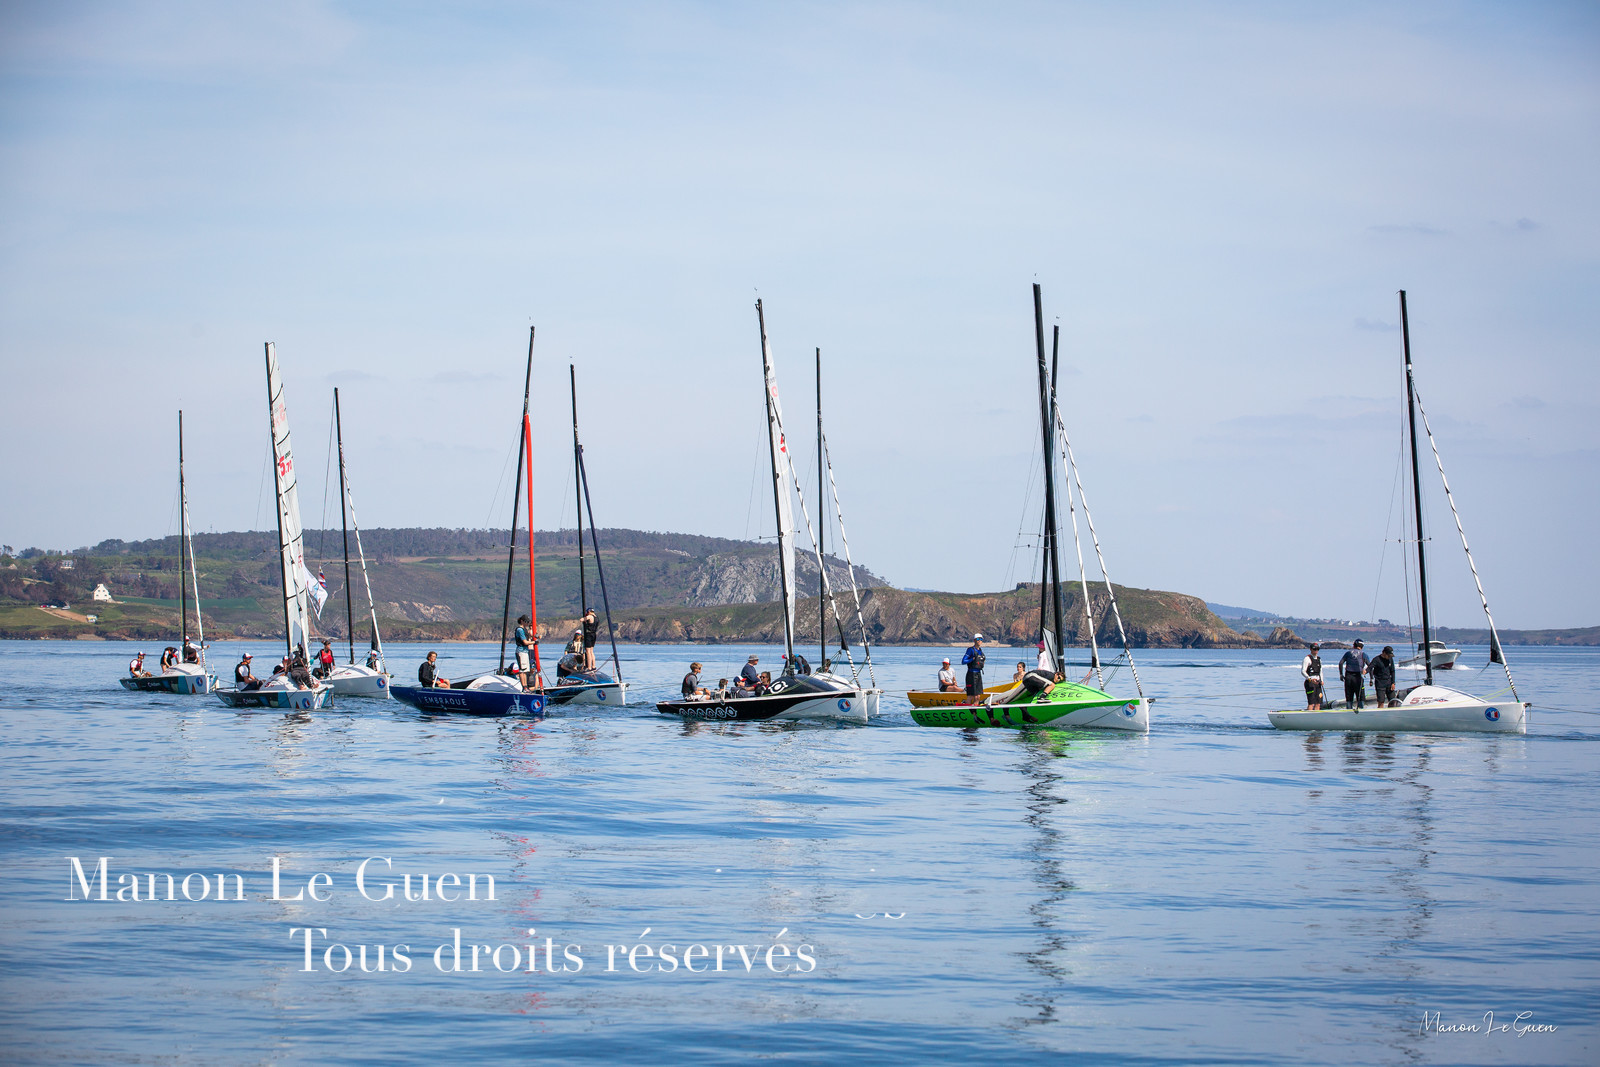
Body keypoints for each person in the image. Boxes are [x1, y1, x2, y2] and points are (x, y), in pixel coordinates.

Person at [1338, 640, 1370, 709]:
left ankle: (1349, 709)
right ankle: (1360, 709)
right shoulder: (1363, 654)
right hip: (1358, 677)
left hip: (1348, 676)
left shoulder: (1348, 653)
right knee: (1360, 696)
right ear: (1362, 647)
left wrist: (1341, 674)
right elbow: (1370, 666)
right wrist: (1370, 677)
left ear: (1353, 646)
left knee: (1349, 696)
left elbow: (1340, 663)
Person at [962, 634, 986, 703]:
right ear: (974, 640)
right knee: (971, 696)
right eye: (978, 639)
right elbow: (963, 661)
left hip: (978, 674)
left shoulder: (980, 651)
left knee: (978, 696)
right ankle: (968, 708)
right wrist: (971, 659)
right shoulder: (970, 650)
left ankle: (975, 709)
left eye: (981, 639)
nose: (979, 641)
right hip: (971, 674)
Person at [1301, 643, 1325, 710]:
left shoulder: (1319, 659)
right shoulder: (1307, 659)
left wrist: (1322, 680)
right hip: (1310, 683)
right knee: (1311, 703)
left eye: (1317, 649)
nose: (1316, 650)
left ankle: (1316, 714)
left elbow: (1320, 671)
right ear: (1311, 649)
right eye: (1314, 649)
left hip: (1318, 682)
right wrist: (1310, 679)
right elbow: (1303, 671)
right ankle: (1309, 714)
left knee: (1318, 703)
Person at [514, 615, 534, 688]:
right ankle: (524, 686)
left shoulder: (525, 630)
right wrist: (534, 642)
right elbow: (525, 642)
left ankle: (526, 686)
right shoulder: (520, 630)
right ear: (522, 621)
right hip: (521, 651)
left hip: (525, 651)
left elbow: (529, 637)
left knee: (526, 670)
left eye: (528, 622)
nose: (527, 623)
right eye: (526, 622)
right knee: (522, 670)